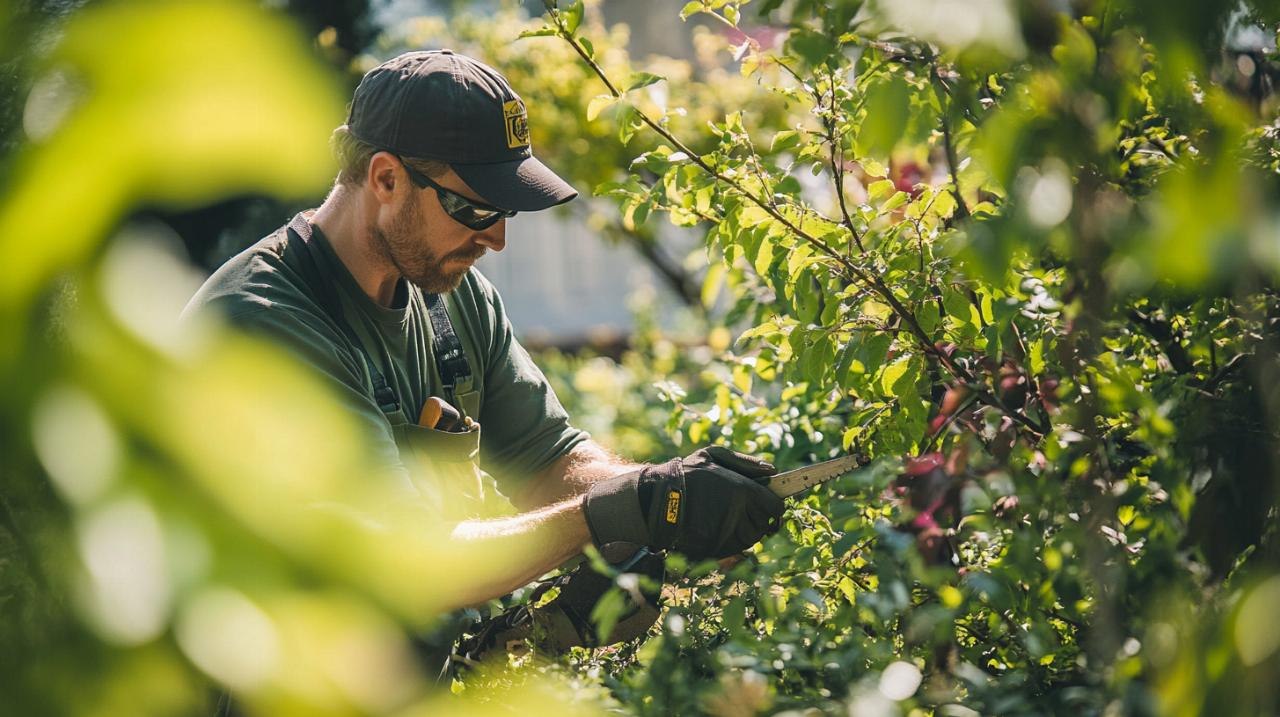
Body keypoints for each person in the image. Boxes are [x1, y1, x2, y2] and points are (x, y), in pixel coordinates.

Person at [183, 50, 784, 672]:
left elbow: (547, 459)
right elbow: (404, 560)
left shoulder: (451, 291)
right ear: (385, 180)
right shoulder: (261, 326)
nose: (496, 238)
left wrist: (665, 498)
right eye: (474, 209)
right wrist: (606, 514)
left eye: (506, 211)